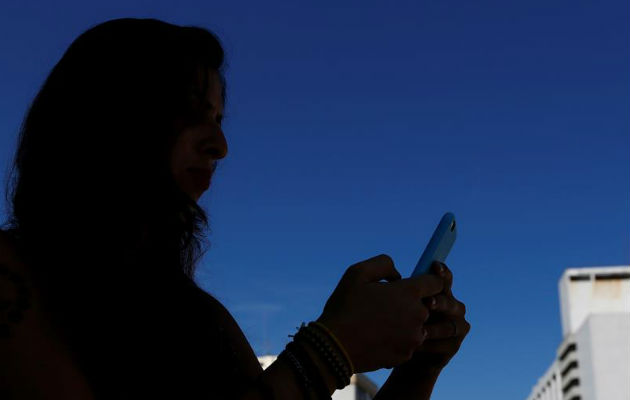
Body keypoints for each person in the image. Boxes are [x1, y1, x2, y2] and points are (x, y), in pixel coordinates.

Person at [0, 18, 470, 399]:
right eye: (190, 113)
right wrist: (331, 349)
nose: (220, 145)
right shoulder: (13, 279)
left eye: (219, 120)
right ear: (103, 117)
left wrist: (418, 371)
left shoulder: (195, 315)